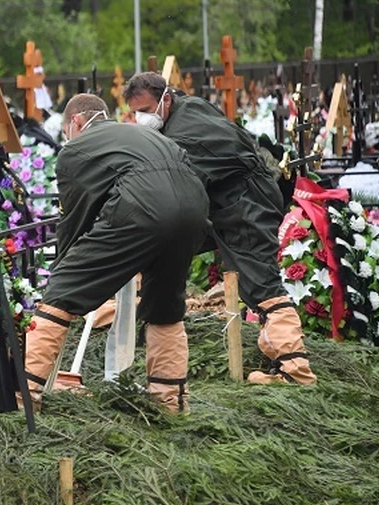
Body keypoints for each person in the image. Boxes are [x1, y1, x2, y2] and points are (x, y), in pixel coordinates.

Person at [123, 72, 316, 386]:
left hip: (247, 207)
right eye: (135, 113)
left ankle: (296, 371)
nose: (140, 118)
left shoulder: (187, 131)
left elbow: (177, 181)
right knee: (163, 249)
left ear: (166, 99)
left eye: (145, 110)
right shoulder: (186, 110)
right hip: (231, 205)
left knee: (261, 284)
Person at [24, 94, 209, 413]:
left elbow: (75, 219)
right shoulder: (147, 135)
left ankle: (22, 395)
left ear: (76, 123)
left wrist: (63, 276)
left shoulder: (76, 150)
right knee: (166, 302)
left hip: (142, 209)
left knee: (63, 290)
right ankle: (170, 402)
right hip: (194, 209)